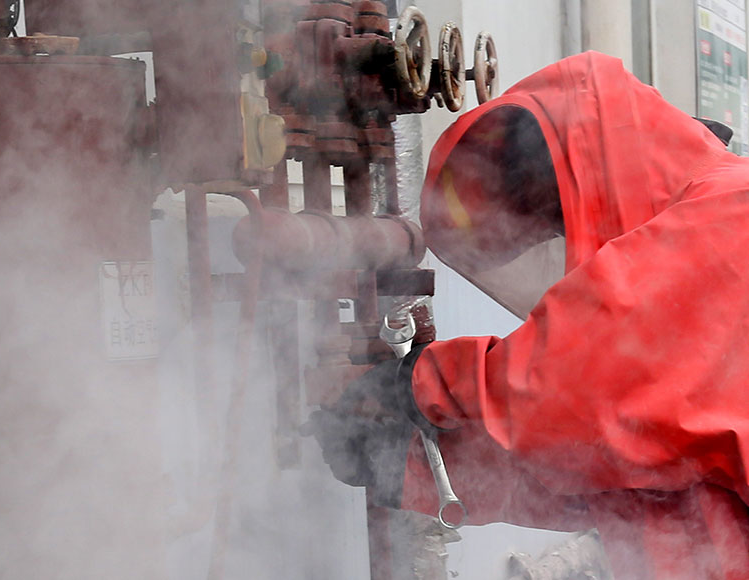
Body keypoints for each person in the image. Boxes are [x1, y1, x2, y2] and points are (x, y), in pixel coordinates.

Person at [307, 51, 749, 580]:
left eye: (560, 217)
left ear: (600, 167)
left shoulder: (734, 210)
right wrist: (405, 466)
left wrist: (420, 381)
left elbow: (583, 383)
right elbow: (599, 476)